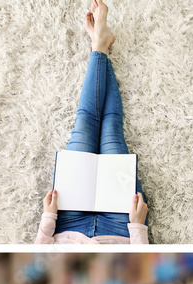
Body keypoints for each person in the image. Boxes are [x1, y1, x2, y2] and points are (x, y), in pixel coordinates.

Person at [35, 0, 150, 245]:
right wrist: (138, 227)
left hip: (66, 221)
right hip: (121, 226)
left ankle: (100, 44)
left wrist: (47, 218)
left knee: (86, 119)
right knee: (111, 125)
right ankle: (100, 44)